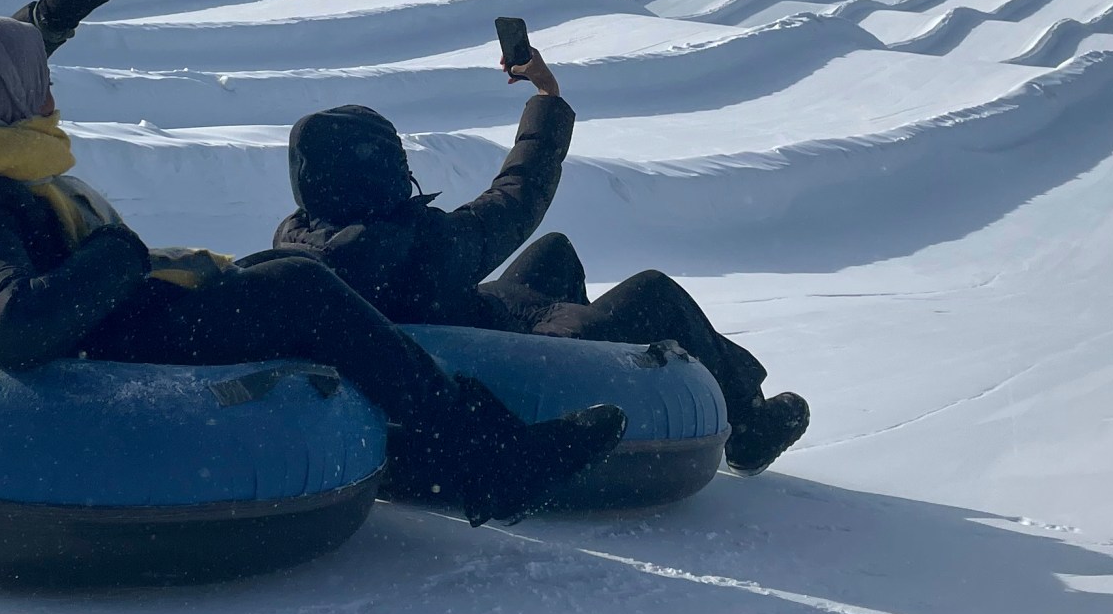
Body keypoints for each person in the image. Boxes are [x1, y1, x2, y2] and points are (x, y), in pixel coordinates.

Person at [0, 0, 624, 527]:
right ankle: (491, 461)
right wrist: (118, 253)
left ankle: (431, 447)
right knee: (299, 287)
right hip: (113, 338)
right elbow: (15, 323)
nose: (41, 94)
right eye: (26, 80)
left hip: (111, 317)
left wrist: (44, 24)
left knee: (272, 269)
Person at [270, 46, 812, 475]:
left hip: (471, 323)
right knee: (655, 291)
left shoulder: (298, 241)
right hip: (512, 352)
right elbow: (517, 194)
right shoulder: (420, 247)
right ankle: (747, 426)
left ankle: (598, 378)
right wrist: (547, 97)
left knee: (554, 251)